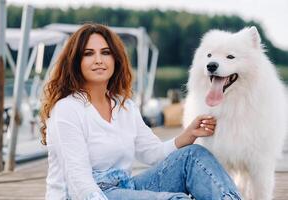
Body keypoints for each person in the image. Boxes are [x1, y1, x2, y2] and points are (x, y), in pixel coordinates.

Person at [40, 23, 242, 200]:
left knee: (193, 156)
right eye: (88, 53)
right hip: (83, 195)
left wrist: (188, 135)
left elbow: (153, 154)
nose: (99, 60)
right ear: (76, 62)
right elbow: (78, 181)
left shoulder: (124, 106)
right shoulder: (68, 109)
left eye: (106, 52)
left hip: (124, 188)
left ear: (116, 59)